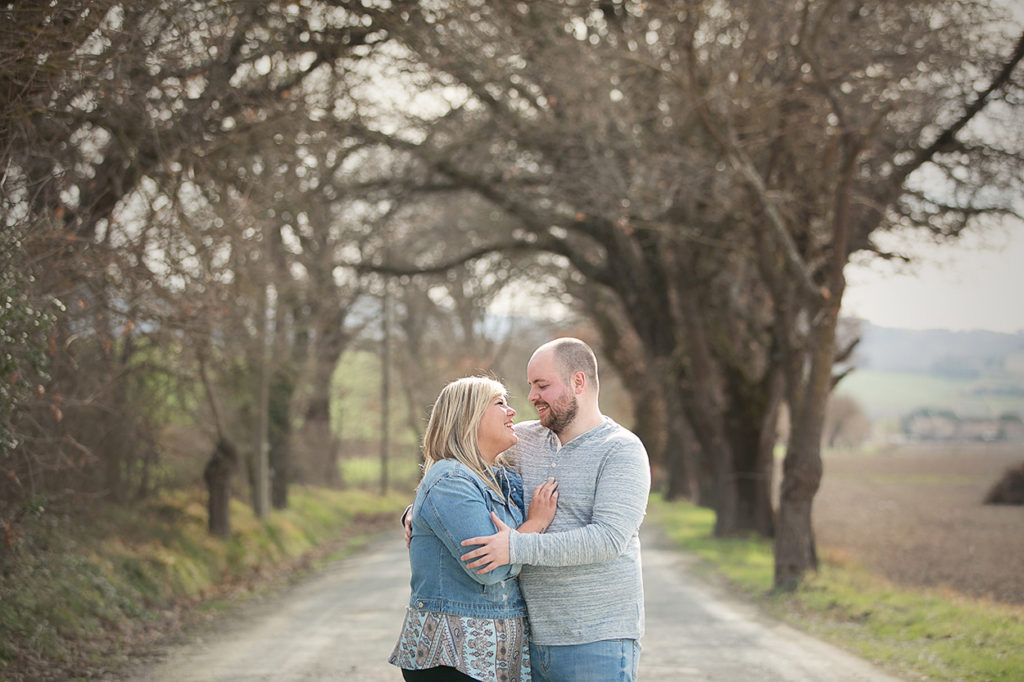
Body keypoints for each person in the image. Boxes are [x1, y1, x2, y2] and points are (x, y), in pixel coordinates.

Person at [458, 338, 651, 682]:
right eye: (531, 385)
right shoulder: (520, 441)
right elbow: (461, 471)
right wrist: (418, 509)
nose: (531, 396)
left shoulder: (621, 450)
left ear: (578, 382)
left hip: (597, 639)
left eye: (542, 385)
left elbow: (607, 540)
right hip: (526, 637)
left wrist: (515, 546)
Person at [388, 376, 559, 682]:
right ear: (468, 416)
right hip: (452, 659)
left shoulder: (503, 479)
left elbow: (518, 560)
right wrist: (535, 524)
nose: (512, 412)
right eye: (500, 403)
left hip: (493, 655)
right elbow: (489, 569)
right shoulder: (451, 479)